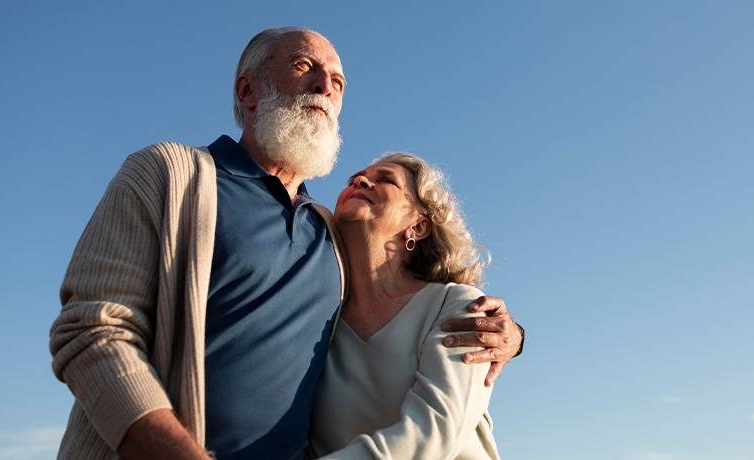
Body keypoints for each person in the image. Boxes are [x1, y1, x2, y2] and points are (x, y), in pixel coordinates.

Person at [49, 27, 523, 460]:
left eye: (338, 82)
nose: (324, 87)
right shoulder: (168, 175)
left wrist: (512, 336)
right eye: (304, 67)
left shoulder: (327, 232)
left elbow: (403, 307)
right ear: (248, 90)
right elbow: (92, 330)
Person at [311, 153, 500, 459]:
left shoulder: (457, 305)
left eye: (385, 179)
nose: (360, 180)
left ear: (418, 226)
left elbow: (433, 434)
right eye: (352, 179)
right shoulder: (318, 325)